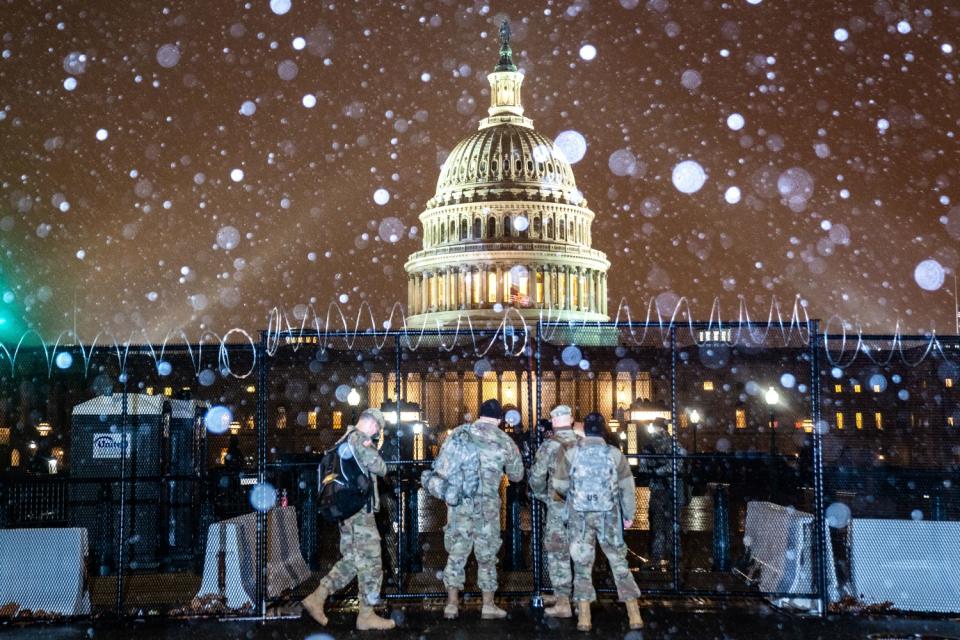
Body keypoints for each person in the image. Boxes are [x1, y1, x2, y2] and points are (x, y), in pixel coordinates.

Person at [302, 408, 395, 631]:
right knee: (372, 564)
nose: (376, 433)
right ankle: (366, 615)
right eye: (377, 429)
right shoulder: (360, 441)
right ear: (373, 425)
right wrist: (375, 448)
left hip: (346, 512)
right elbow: (381, 468)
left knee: (354, 560)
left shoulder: (343, 440)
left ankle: (317, 597)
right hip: (360, 514)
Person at [554, 412, 643, 632]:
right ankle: (634, 614)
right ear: (603, 430)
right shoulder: (614, 454)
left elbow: (559, 484)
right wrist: (628, 514)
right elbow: (627, 487)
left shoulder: (572, 453)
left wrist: (574, 496)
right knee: (619, 562)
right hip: (608, 516)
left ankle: (584, 617)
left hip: (580, 517)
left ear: (585, 431)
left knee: (583, 565)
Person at [442, 399, 524, 620]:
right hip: (487, 506)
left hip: (460, 503)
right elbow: (517, 475)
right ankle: (488, 605)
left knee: (457, 552)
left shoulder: (458, 434)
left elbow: (442, 467)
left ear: (479, 414)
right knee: (487, 555)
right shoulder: (503, 439)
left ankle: (451, 604)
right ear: (499, 419)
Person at [528, 404, 580, 618]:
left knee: (558, 552)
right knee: (581, 552)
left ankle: (562, 601)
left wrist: (542, 495)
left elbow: (537, 478)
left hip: (558, 505)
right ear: (571, 419)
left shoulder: (550, 446)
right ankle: (580, 600)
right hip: (584, 507)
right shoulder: (583, 442)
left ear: (552, 422)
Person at [639, 417, 684, 570]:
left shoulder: (648, 446)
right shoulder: (675, 445)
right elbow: (678, 465)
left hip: (658, 489)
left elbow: (643, 469)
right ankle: (675, 561)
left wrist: (655, 471)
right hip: (673, 489)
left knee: (657, 527)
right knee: (673, 526)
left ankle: (657, 559)